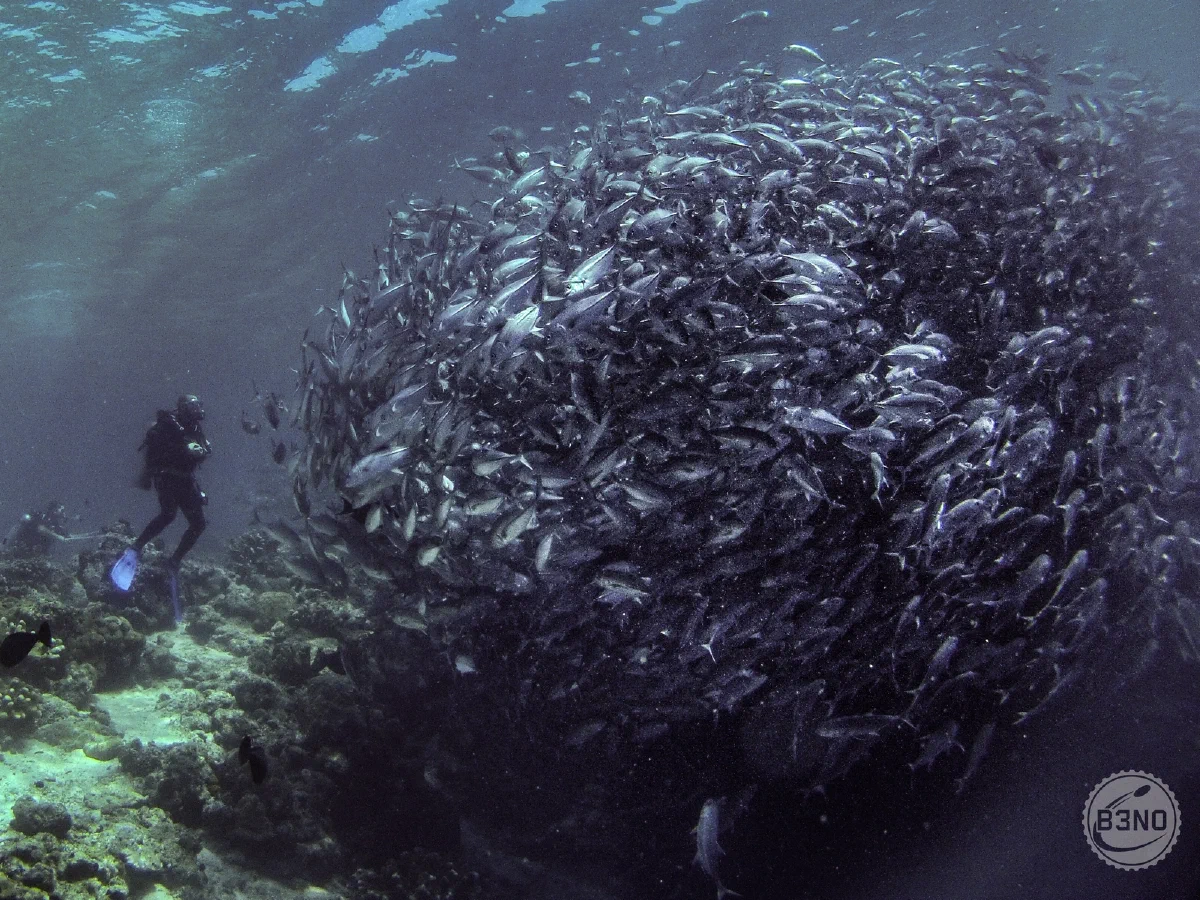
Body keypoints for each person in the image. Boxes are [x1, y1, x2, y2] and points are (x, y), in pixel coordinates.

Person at [121, 394, 211, 576]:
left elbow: (201, 451)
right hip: (167, 478)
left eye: (198, 405)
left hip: (187, 480)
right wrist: (184, 449)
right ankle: (135, 548)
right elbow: (158, 449)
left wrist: (202, 450)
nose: (197, 410)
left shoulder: (195, 427)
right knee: (168, 515)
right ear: (183, 408)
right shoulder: (169, 424)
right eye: (192, 406)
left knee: (198, 524)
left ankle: (174, 561)